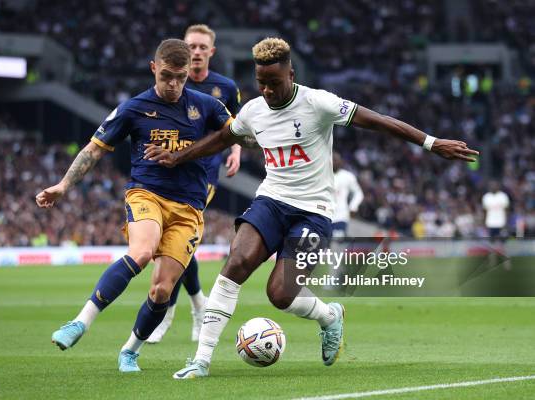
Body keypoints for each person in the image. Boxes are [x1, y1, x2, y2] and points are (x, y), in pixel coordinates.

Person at [144, 37, 478, 379]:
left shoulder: (319, 103)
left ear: (291, 73)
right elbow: (222, 138)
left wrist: (431, 142)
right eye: (261, 83)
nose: (268, 91)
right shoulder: (254, 111)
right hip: (271, 201)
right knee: (236, 263)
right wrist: (177, 156)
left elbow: (377, 120)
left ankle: (330, 316)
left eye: (274, 83)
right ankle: (201, 361)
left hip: (313, 211)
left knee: (280, 293)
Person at [35, 39, 233, 373]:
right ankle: (79, 322)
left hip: (189, 207)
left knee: (162, 289)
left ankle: (129, 350)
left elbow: (236, 133)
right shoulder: (133, 108)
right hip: (146, 194)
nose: (173, 85)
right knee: (141, 251)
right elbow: (95, 149)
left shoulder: (207, 106)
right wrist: (64, 185)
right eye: (166, 75)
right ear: (153, 68)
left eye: (180, 78)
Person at [147, 24, 242, 344]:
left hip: (203, 175)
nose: (197, 52)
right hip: (168, 172)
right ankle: (198, 303)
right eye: (192, 47)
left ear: (211, 52)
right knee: (173, 243)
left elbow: (235, 124)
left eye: (202, 47)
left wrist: (237, 151)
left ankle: (168, 312)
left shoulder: (225, 87)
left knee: (175, 239)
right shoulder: (171, 88)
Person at [331, 152, 363, 239]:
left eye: (336, 160)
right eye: (332, 159)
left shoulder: (348, 176)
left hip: (340, 216)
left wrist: (353, 207)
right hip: (323, 215)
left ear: (341, 162)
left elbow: (358, 193)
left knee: (335, 244)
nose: (334, 162)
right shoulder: (322, 174)